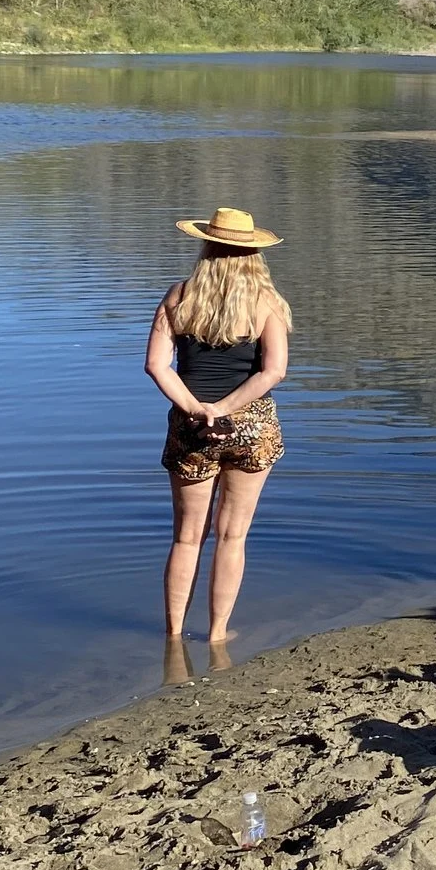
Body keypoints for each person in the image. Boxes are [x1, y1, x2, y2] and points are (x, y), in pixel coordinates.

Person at [144, 207, 292, 643]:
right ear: (254, 254)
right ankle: (217, 635)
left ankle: (172, 636)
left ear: (206, 246)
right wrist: (225, 407)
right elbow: (273, 372)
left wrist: (196, 407)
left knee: (188, 538)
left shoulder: (179, 296)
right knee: (232, 536)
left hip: (191, 425)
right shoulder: (267, 303)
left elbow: (156, 365)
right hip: (251, 425)